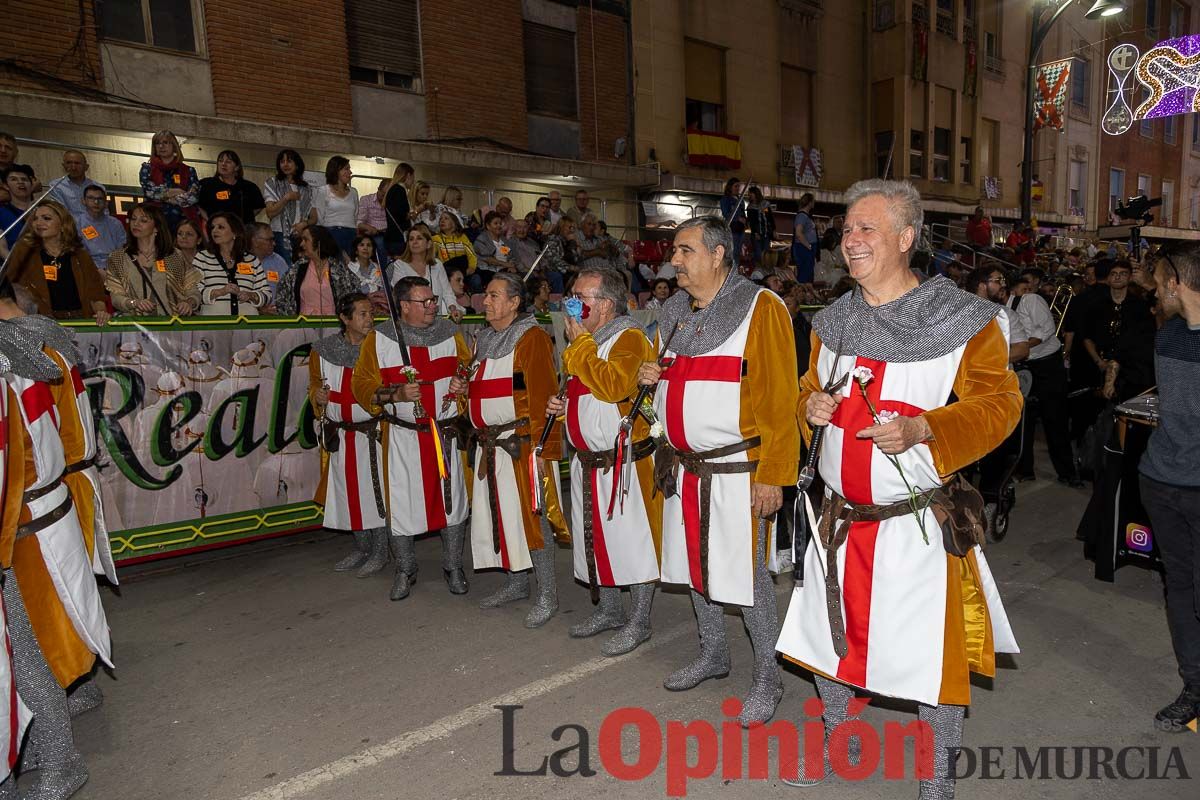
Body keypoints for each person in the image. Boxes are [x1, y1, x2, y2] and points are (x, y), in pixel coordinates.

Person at [775, 180, 1022, 796]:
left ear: (906, 238)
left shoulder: (965, 320)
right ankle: (838, 743)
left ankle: (936, 783)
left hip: (912, 528)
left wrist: (925, 429)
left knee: (928, 662)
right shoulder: (832, 320)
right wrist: (810, 406)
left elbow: (1001, 405)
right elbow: (809, 384)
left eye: (866, 229)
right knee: (827, 644)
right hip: (837, 520)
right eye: (847, 229)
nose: (850, 241)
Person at [636, 215, 800, 727]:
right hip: (684, 468)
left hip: (737, 472)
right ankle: (713, 653)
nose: (674, 261)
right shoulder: (674, 312)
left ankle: (767, 678)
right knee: (694, 569)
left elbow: (779, 397)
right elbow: (668, 387)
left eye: (684, 251)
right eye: (674, 251)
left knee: (745, 579)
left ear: (717, 254)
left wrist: (773, 473)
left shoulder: (760, 307)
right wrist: (651, 380)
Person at [0, 293, 116, 797]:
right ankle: (70, 699)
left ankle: (56, 749)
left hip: (34, 509)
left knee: (40, 635)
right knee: (56, 620)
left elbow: (43, 445)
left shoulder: (19, 354)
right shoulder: (36, 346)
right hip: (46, 501)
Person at [546, 267, 662, 655]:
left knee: (632, 545)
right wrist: (566, 408)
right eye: (572, 297)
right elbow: (592, 394)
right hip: (588, 462)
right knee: (595, 542)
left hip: (623, 464)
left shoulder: (628, 338)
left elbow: (614, 386)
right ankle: (611, 611)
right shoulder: (591, 340)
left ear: (607, 305)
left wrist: (577, 347)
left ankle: (640, 620)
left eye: (581, 298)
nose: (572, 305)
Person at [353, 277, 474, 599]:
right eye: (425, 301)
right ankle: (405, 568)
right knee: (404, 505)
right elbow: (361, 387)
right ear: (404, 306)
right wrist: (395, 393)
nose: (433, 305)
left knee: (453, 504)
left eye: (433, 299)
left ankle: (453, 566)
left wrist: (464, 388)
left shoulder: (450, 333)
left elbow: (467, 371)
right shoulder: (379, 339)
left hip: (445, 436)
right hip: (405, 439)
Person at [469, 273, 565, 626]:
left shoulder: (532, 338)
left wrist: (542, 453)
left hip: (523, 446)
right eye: (485, 295)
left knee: (533, 521)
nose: (486, 301)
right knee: (503, 517)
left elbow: (542, 396)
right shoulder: (484, 340)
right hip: (492, 445)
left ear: (514, 302)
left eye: (494, 295)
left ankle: (547, 595)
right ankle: (516, 582)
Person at [1140, 243, 1200, 733]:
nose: (1155, 290)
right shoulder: (1169, 335)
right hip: (1162, 481)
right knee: (1179, 587)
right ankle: (1194, 687)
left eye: (1160, 282)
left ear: (1178, 284)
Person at [308, 293, 390, 576]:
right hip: (340, 437)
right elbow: (315, 385)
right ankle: (363, 548)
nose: (370, 319)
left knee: (374, 495)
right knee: (347, 495)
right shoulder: (322, 350)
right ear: (345, 318)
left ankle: (380, 551)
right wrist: (316, 397)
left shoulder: (380, 349)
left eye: (371, 313)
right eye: (364, 314)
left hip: (371, 435)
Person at [1008, 269, 1082, 486]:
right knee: (1024, 421)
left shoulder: (1031, 300)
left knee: (1055, 420)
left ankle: (1067, 472)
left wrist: (1024, 347)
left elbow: (1047, 329)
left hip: (1047, 364)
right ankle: (1025, 469)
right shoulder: (1005, 305)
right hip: (1024, 364)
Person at [5, 200, 109, 324]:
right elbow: (10, 288)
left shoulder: (80, 254)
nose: (39, 223)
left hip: (81, 320)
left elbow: (96, 293)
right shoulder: (23, 252)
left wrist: (101, 312)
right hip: (43, 323)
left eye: (46, 218)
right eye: (35, 219)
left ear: (63, 224)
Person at [1080, 259, 1156, 403]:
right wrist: (1099, 362)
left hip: (1131, 372)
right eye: (1113, 273)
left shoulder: (1140, 307)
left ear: (1130, 278)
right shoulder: (1095, 305)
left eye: (1123, 273)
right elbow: (1087, 336)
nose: (1117, 276)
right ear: (1107, 278)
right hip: (1098, 367)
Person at [105, 203, 201, 316]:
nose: (136, 224)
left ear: (156, 227)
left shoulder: (174, 255)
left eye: (143, 220)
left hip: (171, 325)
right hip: (136, 327)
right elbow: (116, 297)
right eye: (133, 219)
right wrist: (133, 303)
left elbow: (193, 291)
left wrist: (188, 303)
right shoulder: (118, 257)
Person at [273, 225, 360, 318]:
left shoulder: (338, 269)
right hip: (303, 325)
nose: (301, 244)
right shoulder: (298, 268)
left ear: (318, 242)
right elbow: (282, 295)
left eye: (305, 240)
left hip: (334, 324)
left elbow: (354, 293)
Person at [194, 212, 268, 316]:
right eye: (212, 227)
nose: (214, 230)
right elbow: (194, 292)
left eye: (221, 227)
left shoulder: (251, 260)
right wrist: (220, 292)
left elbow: (266, 294)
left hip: (246, 324)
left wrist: (250, 295)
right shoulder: (202, 258)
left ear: (235, 232)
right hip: (213, 325)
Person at [388, 224, 465, 321]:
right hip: (412, 322)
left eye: (419, 238)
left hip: (437, 322)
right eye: (411, 239)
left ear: (428, 244)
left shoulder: (437, 265)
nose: (414, 242)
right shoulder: (399, 265)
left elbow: (447, 293)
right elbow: (402, 295)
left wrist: (453, 309)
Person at [139, 129, 200, 231]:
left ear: (174, 146)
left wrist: (164, 195)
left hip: (182, 223)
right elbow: (150, 192)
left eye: (165, 142)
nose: (161, 146)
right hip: (154, 222)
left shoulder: (188, 170)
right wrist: (177, 192)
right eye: (157, 143)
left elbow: (193, 197)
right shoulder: (147, 168)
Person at [262, 148, 316, 263]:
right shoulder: (272, 183)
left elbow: (314, 217)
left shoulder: (306, 189)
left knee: (300, 268)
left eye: (289, 161)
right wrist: (286, 198)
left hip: (300, 235)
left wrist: (303, 224)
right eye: (282, 161)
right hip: (280, 233)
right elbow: (270, 212)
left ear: (297, 165)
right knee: (285, 268)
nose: (285, 164)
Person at [196, 149, 265, 226]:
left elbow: (258, 207)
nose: (223, 164)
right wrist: (210, 221)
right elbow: (198, 206)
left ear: (237, 167)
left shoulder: (249, 187)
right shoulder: (207, 184)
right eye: (220, 161)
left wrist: (245, 218)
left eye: (228, 162)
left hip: (243, 230)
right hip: (216, 229)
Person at [72, 184, 127, 271]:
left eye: (100, 199)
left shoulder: (115, 224)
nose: (96, 202)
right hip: (88, 268)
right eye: (91, 198)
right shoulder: (76, 224)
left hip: (114, 268)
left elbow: (122, 250)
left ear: (106, 203)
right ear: (83, 201)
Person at [313, 156, 359, 257]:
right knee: (333, 267)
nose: (350, 172)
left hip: (351, 234)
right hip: (331, 234)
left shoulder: (354, 192)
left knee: (350, 267)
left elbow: (356, 215)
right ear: (336, 171)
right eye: (346, 169)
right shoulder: (323, 191)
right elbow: (320, 217)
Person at [48, 150, 104, 218]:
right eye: (69, 163)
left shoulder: (98, 187)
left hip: (96, 226)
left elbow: (104, 213)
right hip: (70, 227)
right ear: (63, 166)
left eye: (77, 163)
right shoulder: (56, 186)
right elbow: (61, 213)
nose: (73, 167)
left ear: (86, 167)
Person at [247, 221, 290, 307]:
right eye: (269, 240)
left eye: (273, 239)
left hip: (275, 315)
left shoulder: (278, 261)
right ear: (255, 241)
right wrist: (260, 310)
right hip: (248, 314)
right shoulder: (240, 261)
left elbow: (288, 291)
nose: (274, 243)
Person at [430, 208, 478, 283]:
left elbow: (472, 255)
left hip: (463, 270)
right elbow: (431, 258)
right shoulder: (435, 239)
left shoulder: (462, 237)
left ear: (454, 223)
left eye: (446, 218)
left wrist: (471, 268)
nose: (442, 221)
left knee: (476, 278)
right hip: (447, 271)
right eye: (440, 219)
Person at [0, 164, 37, 255]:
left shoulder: (45, 210)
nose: (20, 182)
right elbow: (2, 248)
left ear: (32, 184)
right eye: (14, 179)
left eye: (24, 179)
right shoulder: (1, 212)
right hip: (12, 264)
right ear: (6, 186)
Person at [474, 210, 517, 286]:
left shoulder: (504, 240)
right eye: (496, 223)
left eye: (500, 223)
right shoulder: (481, 239)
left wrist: (511, 266)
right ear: (488, 226)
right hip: (488, 271)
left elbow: (512, 256)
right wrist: (506, 264)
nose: (499, 226)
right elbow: (487, 259)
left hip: (505, 270)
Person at [382, 162, 415, 256]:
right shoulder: (400, 190)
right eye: (413, 177)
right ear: (408, 175)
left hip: (392, 236)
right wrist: (416, 211)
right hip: (398, 237)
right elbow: (402, 215)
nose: (413, 181)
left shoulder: (393, 189)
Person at [347, 234, 388, 307]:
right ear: (356, 250)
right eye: (362, 245)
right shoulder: (349, 269)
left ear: (373, 251)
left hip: (379, 307)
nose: (365, 248)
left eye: (369, 245)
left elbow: (384, 292)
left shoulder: (379, 269)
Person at [539, 217, 578, 294]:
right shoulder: (553, 240)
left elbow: (576, 259)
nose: (571, 230)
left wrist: (572, 244)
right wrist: (569, 267)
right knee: (557, 276)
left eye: (573, 228)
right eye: (569, 227)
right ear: (561, 227)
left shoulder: (569, 242)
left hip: (567, 272)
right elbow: (552, 259)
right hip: (552, 270)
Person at [357, 178, 389, 257]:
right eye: (383, 195)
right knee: (380, 244)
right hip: (371, 233)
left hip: (388, 233)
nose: (384, 198)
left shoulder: (391, 202)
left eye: (387, 196)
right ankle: (383, 268)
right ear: (378, 189)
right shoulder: (366, 200)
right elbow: (359, 222)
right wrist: (368, 227)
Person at [719, 178, 747, 267]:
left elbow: (743, 212)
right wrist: (737, 218)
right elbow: (726, 213)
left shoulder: (740, 199)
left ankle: (736, 269)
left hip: (741, 229)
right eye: (736, 186)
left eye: (738, 186)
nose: (737, 188)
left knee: (738, 251)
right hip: (732, 229)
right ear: (730, 187)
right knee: (732, 252)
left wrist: (745, 221)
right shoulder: (725, 199)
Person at [791, 192, 818, 283]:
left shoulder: (807, 216)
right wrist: (809, 246)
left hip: (807, 247)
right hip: (804, 248)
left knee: (808, 273)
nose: (814, 203)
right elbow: (798, 233)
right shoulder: (802, 216)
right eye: (813, 201)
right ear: (810, 202)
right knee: (804, 273)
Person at [746, 186, 775, 267]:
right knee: (758, 254)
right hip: (757, 233)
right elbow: (751, 221)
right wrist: (755, 233)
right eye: (749, 194)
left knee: (766, 253)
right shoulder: (750, 207)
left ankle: (765, 270)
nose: (749, 195)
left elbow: (770, 217)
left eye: (750, 193)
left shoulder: (766, 204)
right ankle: (758, 270)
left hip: (766, 233)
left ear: (755, 194)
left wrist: (774, 229)